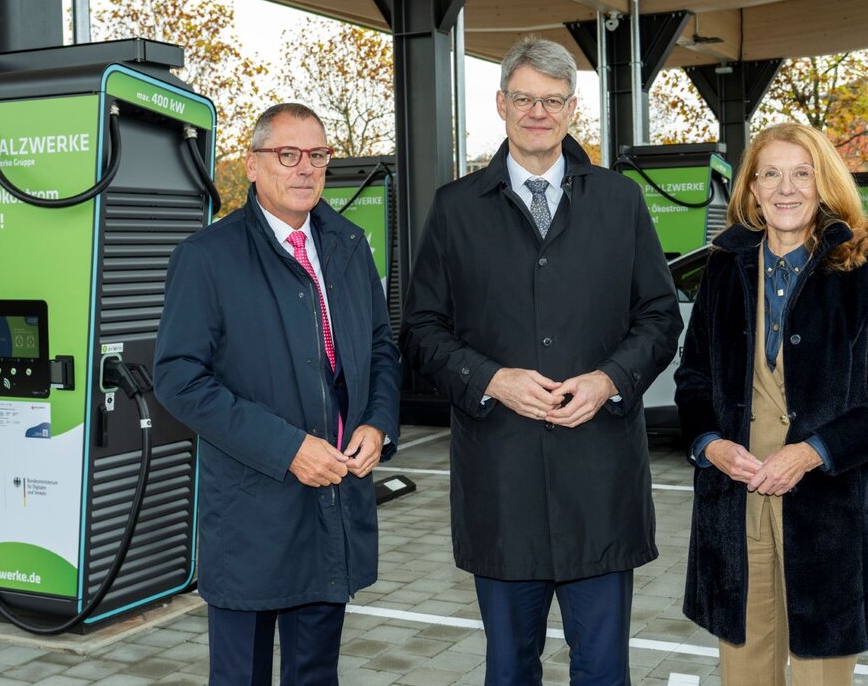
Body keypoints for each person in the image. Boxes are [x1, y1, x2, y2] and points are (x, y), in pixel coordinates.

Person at [401, 36, 683, 685]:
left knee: (605, 670)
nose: (537, 112)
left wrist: (610, 378)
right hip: (503, 485)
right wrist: (491, 378)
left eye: (552, 100)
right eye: (524, 98)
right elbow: (420, 329)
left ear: (571, 108)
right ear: (501, 103)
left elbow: (660, 316)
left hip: (599, 481)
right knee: (508, 671)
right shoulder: (455, 209)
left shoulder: (620, 201)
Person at [153, 103, 401, 685]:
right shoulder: (208, 257)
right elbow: (179, 379)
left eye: (317, 155)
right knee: (242, 675)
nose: (304, 169)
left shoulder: (347, 245)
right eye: (287, 154)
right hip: (254, 510)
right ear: (253, 165)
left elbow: (382, 348)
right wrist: (289, 448)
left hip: (333, 501)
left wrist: (378, 423)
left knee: (315, 672)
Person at [675, 123, 868, 684]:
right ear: (752, 191)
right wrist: (710, 443)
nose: (786, 189)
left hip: (830, 503)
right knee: (745, 673)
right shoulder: (723, 267)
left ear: (823, 183)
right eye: (771, 175)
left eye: (801, 173)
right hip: (735, 501)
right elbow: (692, 379)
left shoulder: (867, 270)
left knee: (822, 676)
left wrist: (809, 453)